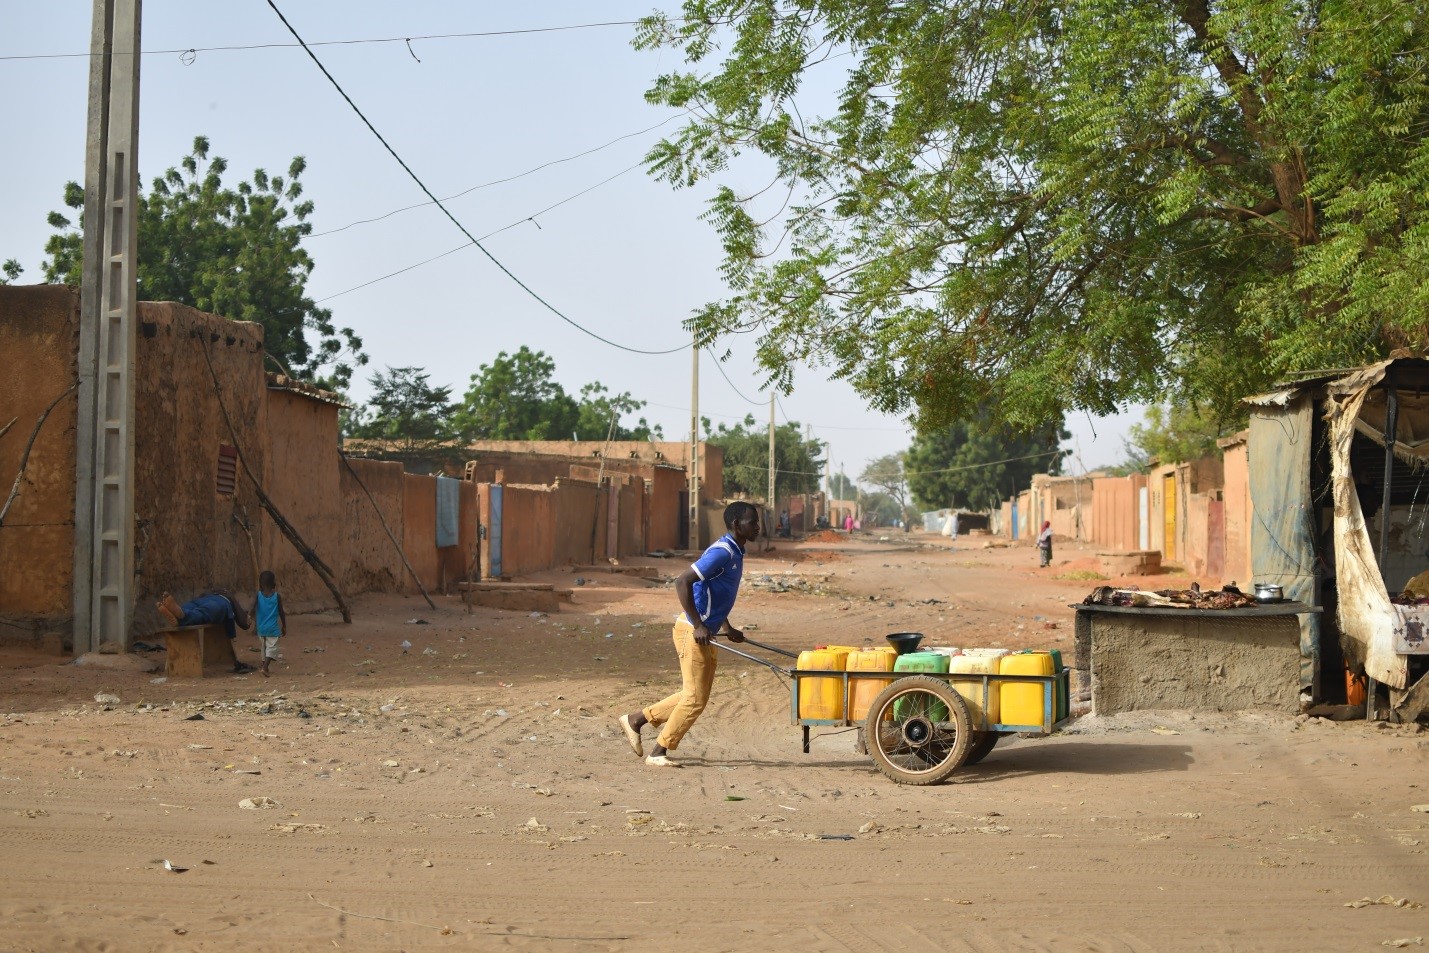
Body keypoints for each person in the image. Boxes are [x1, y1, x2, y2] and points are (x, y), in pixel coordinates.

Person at [618, 501, 760, 768]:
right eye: (752, 522)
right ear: (735, 525)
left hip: (707, 632)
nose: (757, 527)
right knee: (694, 699)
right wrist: (698, 625)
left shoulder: (736, 552)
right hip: (692, 632)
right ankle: (659, 751)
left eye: (757, 522)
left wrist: (727, 628)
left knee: (693, 696)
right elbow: (682, 581)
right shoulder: (722, 553)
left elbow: (716, 593)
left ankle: (636, 720)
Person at [155, 589, 254, 673]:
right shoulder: (229, 598)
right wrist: (247, 620)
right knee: (203, 613)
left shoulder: (210, 593)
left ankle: (179, 614)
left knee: (189, 607)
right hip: (221, 604)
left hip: (200, 600)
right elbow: (244, 623)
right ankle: (182, 616)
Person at [251, 570, 287, 678]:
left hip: (261, 628)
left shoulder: (258, 595)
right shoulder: (277, 597)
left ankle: (264, 666)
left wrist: (249, 616)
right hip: (272, 628)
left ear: (260, 584)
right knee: (272, 648)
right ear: (274, 584)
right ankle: (265, 667)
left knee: (264, 647)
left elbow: (252, 607)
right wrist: (284, 625)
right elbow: (281, 612)